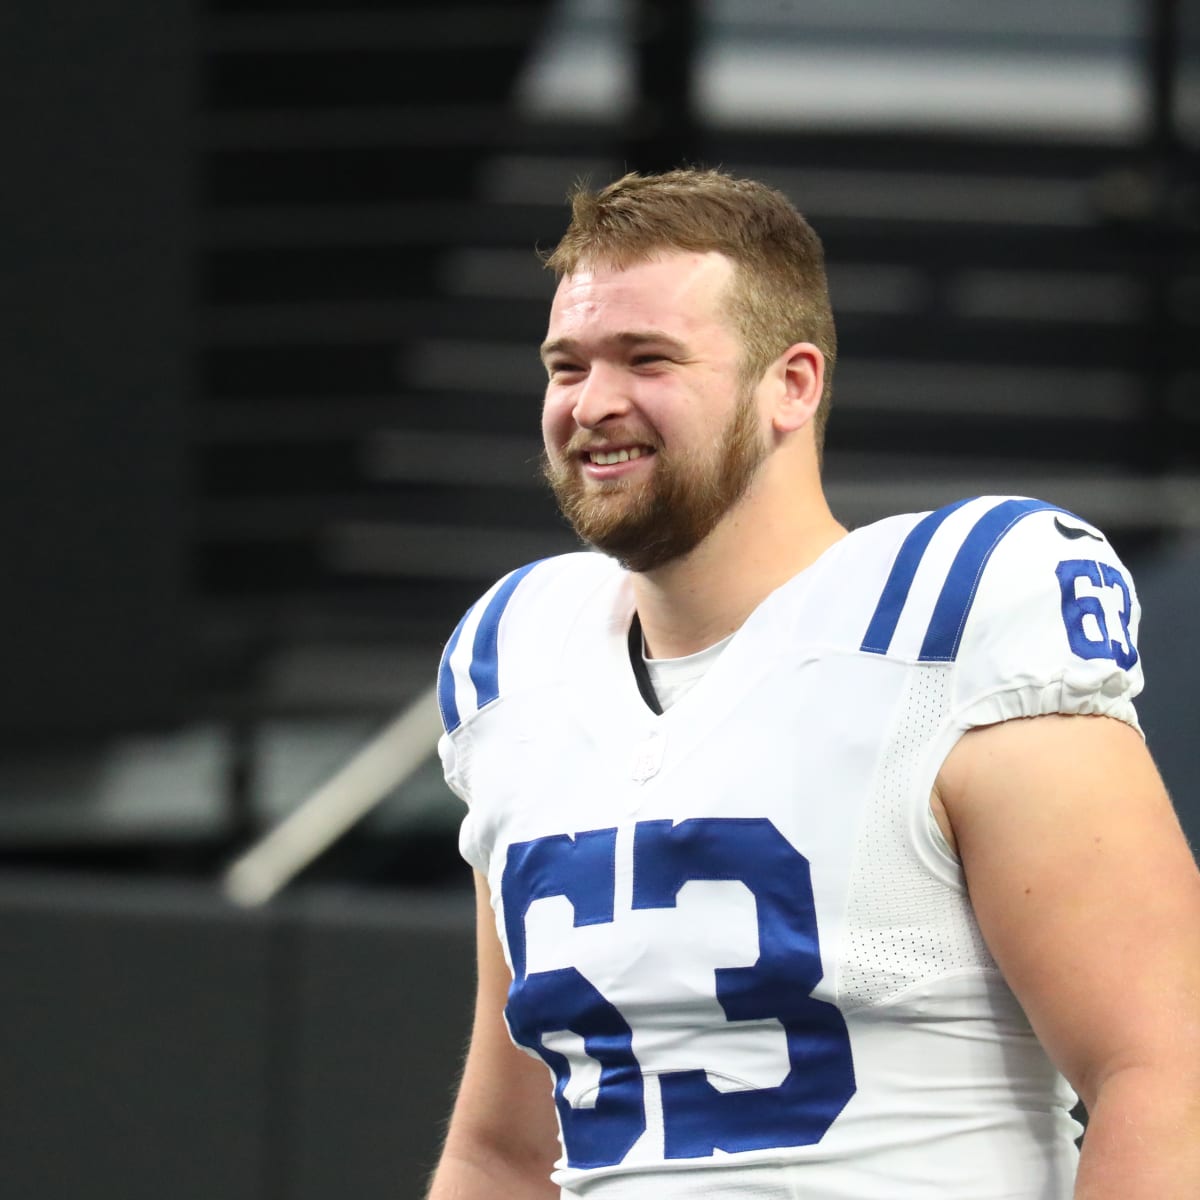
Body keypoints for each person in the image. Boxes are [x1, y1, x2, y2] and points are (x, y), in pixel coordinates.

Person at [426, 168, 1200, 1199]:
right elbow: (507, 1151)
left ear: (793, 383)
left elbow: (1169, 1070)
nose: (594, 402)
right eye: (567, 365)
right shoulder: (517, 669)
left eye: (646, 358)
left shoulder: (949, 628)